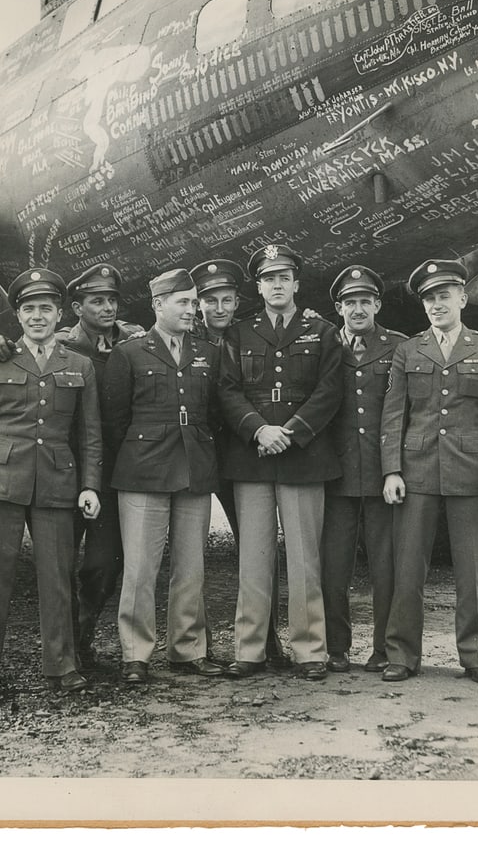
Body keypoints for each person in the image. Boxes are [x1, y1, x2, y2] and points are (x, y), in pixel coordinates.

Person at [0, 263, 145, 669]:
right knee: (57, 567)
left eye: (111, 300)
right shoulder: (62, 344)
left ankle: (79, 635)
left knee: (103, 564)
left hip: (105, 472)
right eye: (95, 300)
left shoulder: (134, 340)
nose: (105, 308)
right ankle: (67, 653)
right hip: (54, 472)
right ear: (75, 307)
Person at [0, 268, 102, 697]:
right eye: (28, 309)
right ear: (18, 315)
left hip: (57, 483)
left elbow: (89, 433)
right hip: (1, 481)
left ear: (60, 313)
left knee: (57, 579)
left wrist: (90, 485)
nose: (37, 316)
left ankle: (61, 666)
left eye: (45, 308)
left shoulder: (80, 364)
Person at [379, 259, 478, 684]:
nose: (436, 304)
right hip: (416, 471)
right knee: (407, 570)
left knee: (474, 572)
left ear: (462, 298)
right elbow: (393, 416)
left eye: (443, 295)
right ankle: (401, 655)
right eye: (429, 298)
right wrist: (391, 471)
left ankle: (477, 657)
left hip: (471, 473)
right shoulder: (408, 350)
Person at [218, 244, 343, 680]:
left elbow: (329, 391)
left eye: (283, 277)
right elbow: (228, 390)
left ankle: (310, 651)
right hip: (252, 455)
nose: (276, 285)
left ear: (296, 283)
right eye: (268, 278)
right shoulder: (239, 332)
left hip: (303, 456)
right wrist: (258, 430)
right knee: (253, 559)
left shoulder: (322, 331)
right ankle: (248, 650)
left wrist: (289, 432)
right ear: (258, 285)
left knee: (305, 561)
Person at [101, 268, 225, 684]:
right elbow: (115, 421)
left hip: (194, 468)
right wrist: (135, 460)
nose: (193, 310)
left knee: (191, 566)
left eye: (194, 302)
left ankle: (187, 650)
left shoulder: (207, 351)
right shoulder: (130, 353)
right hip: (143, 470)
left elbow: (215, 412)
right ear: (158, 305)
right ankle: (135, 654)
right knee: (140, 567)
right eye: (183, 302)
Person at [189, 259, 288, 668]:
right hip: (192, 453)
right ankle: (197, 646)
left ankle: (267, 639)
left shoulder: (248, 334)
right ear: (197, 305)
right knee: (189, 554)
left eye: (227, 300)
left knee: (257, 547)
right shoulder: (181, 336)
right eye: (210, 301)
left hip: (236, 454)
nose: (219, 308)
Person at [321, 266, 407, 674]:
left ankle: (385, 649)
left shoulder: (400, 347)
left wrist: (396, 469)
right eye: (349, 302)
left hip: (381, 474)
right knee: (333, 568)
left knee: (385, 567)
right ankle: (336, 648)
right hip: (334, 474)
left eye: (364, 301)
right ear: (339, 308)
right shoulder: (323, 346)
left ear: (377, 304)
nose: (358, 309)